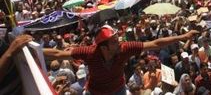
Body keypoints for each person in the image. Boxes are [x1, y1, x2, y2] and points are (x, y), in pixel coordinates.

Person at [43, 25, 199, 95]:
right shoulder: (89, 52)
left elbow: (155, 43)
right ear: (103, 47)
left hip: (118, 90)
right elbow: (57, 54)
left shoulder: (124, 48)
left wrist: (183, 37)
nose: (119, 42)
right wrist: (29, 49)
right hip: (94, 92)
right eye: (114, 41)